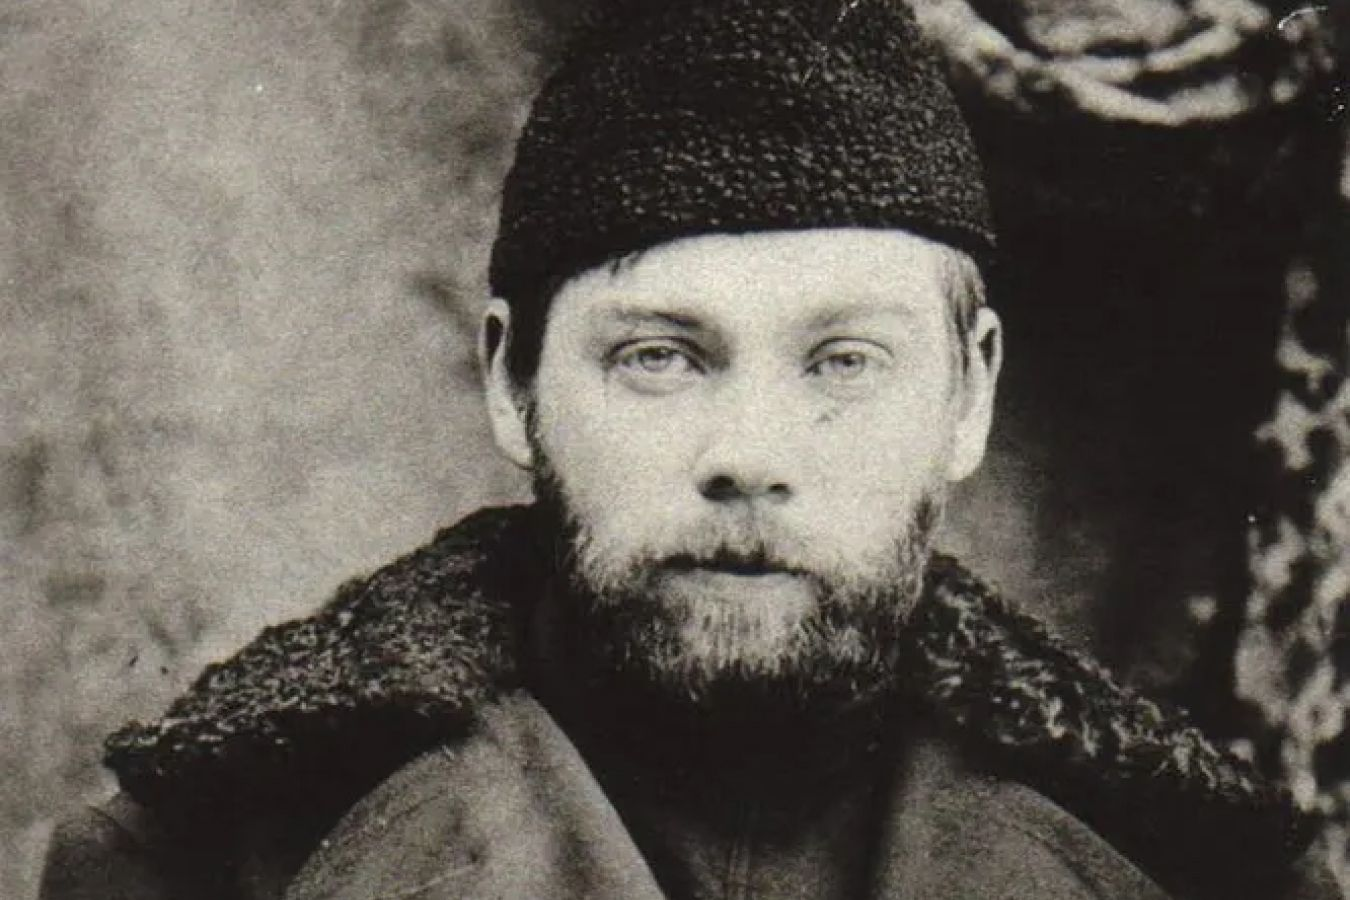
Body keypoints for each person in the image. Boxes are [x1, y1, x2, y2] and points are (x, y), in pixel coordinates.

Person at [38, 1, 1339, 898]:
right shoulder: (185, 868)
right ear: (512, 384)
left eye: (843, 361)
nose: (749, 452)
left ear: (967, 397)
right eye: (659, 357)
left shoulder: (1202, 875)